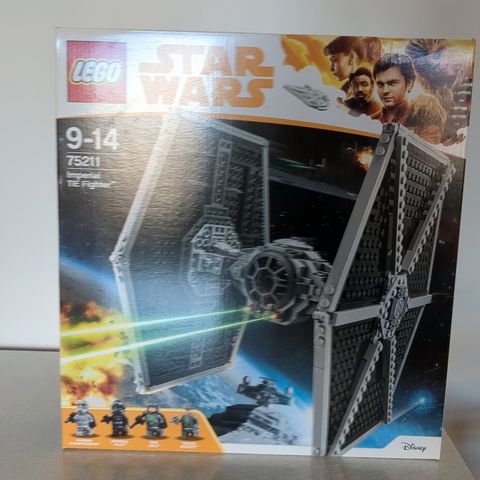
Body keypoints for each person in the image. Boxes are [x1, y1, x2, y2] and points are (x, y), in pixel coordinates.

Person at [371, 53, 416, 125]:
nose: (385, 91)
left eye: (392, 83)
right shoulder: (369, 122)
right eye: (380, 85)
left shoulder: (421, 120)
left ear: (409, 84)